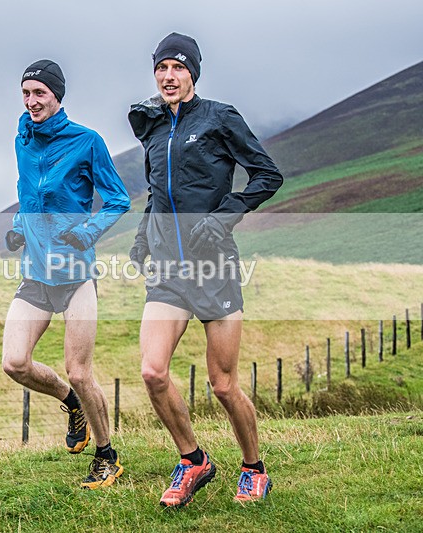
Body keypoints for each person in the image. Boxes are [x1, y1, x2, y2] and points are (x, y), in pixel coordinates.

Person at [128, 33, 283, 507]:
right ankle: (193, 460)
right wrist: (141, 238)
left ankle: (253, 468)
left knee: (222, 383)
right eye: (161, 69)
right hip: (169, 272)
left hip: (214, 267)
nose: (168, 77)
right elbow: (158, 193)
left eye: (177, 68)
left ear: (192, 73)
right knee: (153, 372)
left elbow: (267, 174)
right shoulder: (153, 128)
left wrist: (224, 215)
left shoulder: (220, 117)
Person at [2, 60, 131, 489]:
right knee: (14, 362)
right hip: (37, 275)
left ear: (57, 96)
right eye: (26, 93)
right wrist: (19, 229)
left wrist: (87, 231)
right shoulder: (22, 140)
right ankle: (70, 403)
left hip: (76, 275)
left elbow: (117, 200)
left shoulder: (87, 142)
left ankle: (106, 455)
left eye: (40, 93)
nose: (32, 101)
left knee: (80, 369)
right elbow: (27, 195)